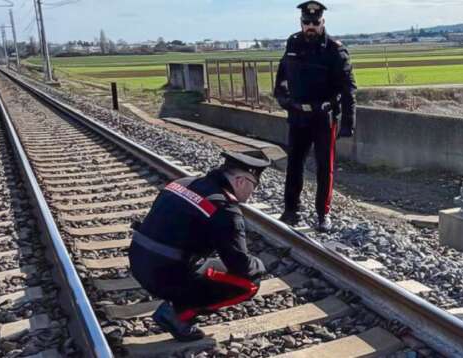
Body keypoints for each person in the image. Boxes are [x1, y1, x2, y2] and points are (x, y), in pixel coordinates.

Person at [128, 151, 271, 341]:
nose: (253, 193)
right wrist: (258, 265)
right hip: (161, 277)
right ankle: (176, 314)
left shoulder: (183, 183)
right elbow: (240, 266)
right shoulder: (225, 209)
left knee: (209, 262)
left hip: (138, 261)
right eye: (254, 186)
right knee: (251, 283)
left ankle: (176, 293)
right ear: (240, 181)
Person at [274, 0, 357, 233]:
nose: (310, 26)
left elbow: (348, 88)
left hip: (323, 118)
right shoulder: (293, 43)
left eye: (315, 22)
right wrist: (283, 99)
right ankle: (291, 210)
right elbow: (281, 77)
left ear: (323, 22)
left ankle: (323, 214)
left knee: (324, 168)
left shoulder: (334, 49)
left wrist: (349, 122)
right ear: (301, 22)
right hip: (298, 116)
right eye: (306, 22)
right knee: (294, 165)